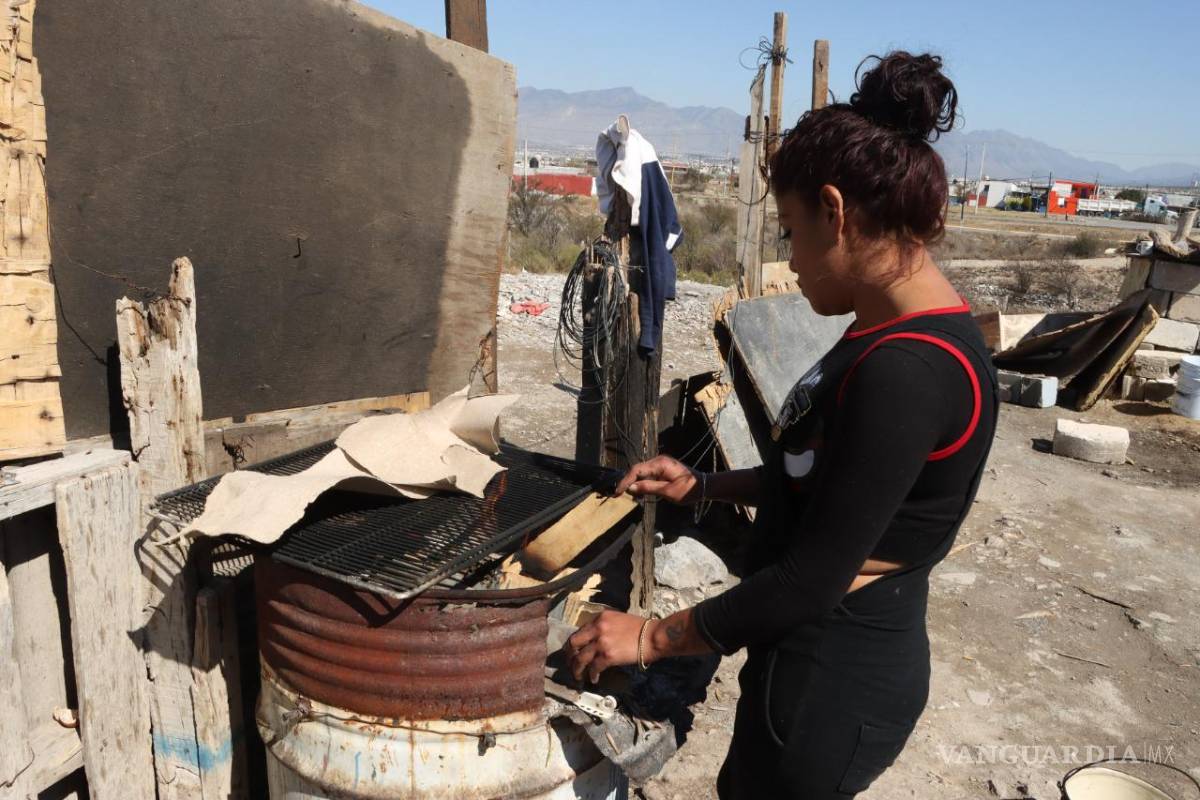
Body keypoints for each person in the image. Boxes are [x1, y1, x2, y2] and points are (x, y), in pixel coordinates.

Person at [565, 51, 999, 798]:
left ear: (836, 212)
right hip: (807, 666)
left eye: (793, 233)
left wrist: (649, 637)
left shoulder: (909, 370)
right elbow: (831, 482)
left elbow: (812, 578)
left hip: (833, 684)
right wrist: (705, 484)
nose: (791, 263)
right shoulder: (883, 332)